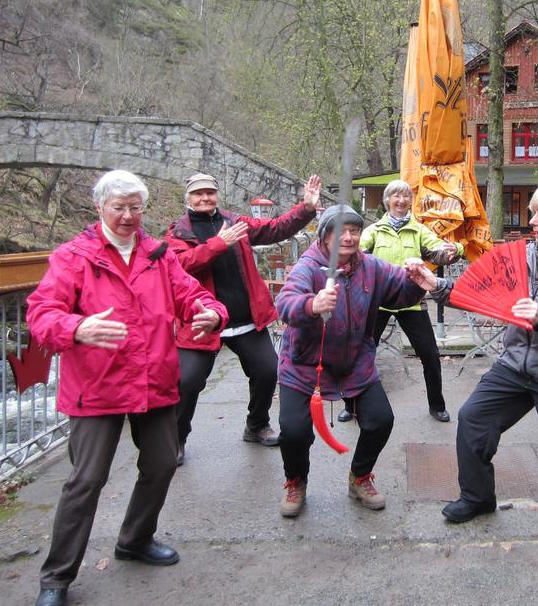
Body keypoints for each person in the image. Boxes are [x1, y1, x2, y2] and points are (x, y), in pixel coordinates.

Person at [26, 170, 227, 606]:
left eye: (135, 207)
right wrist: (77, 326)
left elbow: (190, 294)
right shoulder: (73, 257)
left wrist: (211, 310)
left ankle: (135, 539)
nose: (128, 215)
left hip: (154, 380)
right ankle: (56, 578)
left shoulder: (157, 254)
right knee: (87, 480)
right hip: (97, 386)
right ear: (99, 207)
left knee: (161, 464)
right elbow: (41, 313)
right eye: (118, 207)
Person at [409, 184, 538, 535]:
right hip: (516, 366)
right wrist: (436, 285)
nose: (532, 220)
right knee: (473, 420)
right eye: (533, 213)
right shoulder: (521, 256)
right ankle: (477, 497)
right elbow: (480, 294)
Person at [274, 204, 429, 517]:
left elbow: (400, 291)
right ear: (325, 236)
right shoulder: (308, 266)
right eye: (340, 231)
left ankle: (359, 476)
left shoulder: (371, 267)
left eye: (354, 230)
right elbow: (285, 302)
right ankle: (296, 481)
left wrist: (414, 280)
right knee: (293, 431)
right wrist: (311, 304)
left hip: (356, 361)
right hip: (304, 366)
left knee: (381, 420)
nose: (348, 237)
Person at [165, 172, 321, 464]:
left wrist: (307, 208)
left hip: (246, 319)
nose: (204, 198)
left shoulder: (235, 222)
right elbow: (179, 265)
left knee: (267, 371)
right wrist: (218, 243)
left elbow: (274, 229)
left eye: (209, 193)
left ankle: (257, 424)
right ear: (188, 198)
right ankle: (176, 439)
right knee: (187, 382)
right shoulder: (178, 232)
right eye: (198, 194)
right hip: (202, 321)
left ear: (216, 195)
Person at [335, 179, 462, 424]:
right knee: (360, 353)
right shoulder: (374, 230)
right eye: (396, 196)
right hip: (377, 300)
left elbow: (437, 250)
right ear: (387, 201)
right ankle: (351, 405)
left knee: (430, 354)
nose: (401, 201)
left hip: (410, 300)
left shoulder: (419, 230)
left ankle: (437, 405)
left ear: (410, 201)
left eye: (405, 196)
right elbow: (355, 251)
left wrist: (451, 250)